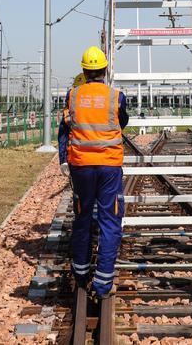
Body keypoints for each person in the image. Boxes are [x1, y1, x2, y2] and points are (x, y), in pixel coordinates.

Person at [58, 46, 129, 299]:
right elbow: (122, 121)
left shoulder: (72, 96)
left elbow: (67, 125)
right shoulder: (116, 96)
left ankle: (80, 274)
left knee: (83, 217)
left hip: (81, 167)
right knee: (110, 221)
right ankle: (102, 284)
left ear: (84, 70)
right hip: (109, 166)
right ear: (105, 69)